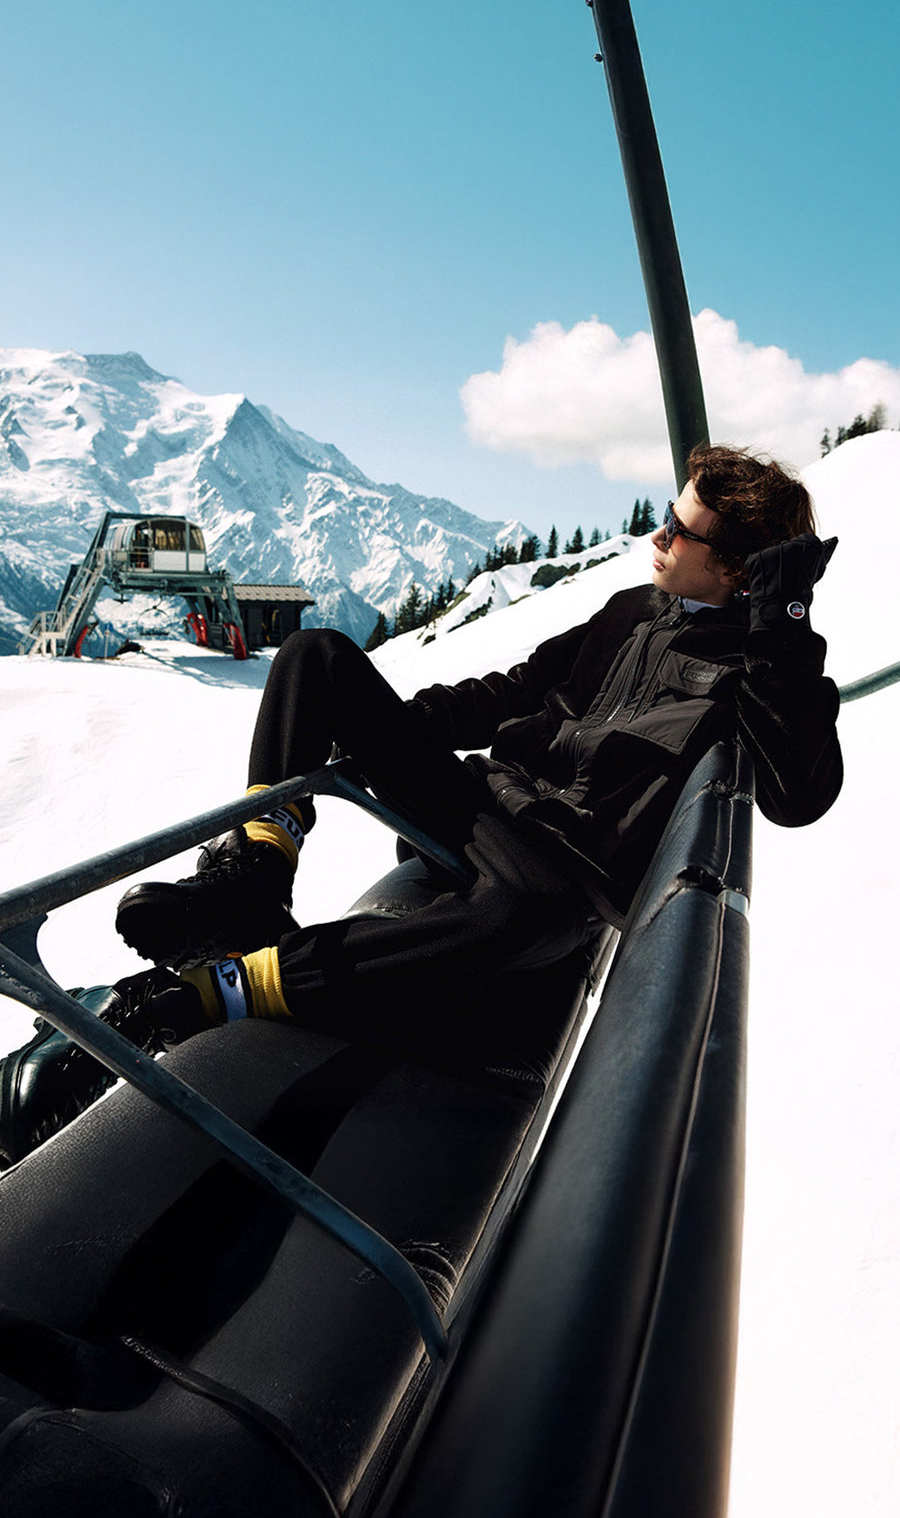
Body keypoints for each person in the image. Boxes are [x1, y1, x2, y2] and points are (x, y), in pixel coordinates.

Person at [0, 445, 842, 1164]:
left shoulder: (759, 671)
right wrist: (389, 727)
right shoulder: (632, 609)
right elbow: (519, 688)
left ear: (736, 570)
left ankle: (212, 991)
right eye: (664, 516)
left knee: (531, 908)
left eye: (678, 530)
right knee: (314, 656)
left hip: (558, 861)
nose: (656, 536)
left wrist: (786, 627)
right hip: (487, 801)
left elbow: (800, 793)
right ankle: (254, 875)